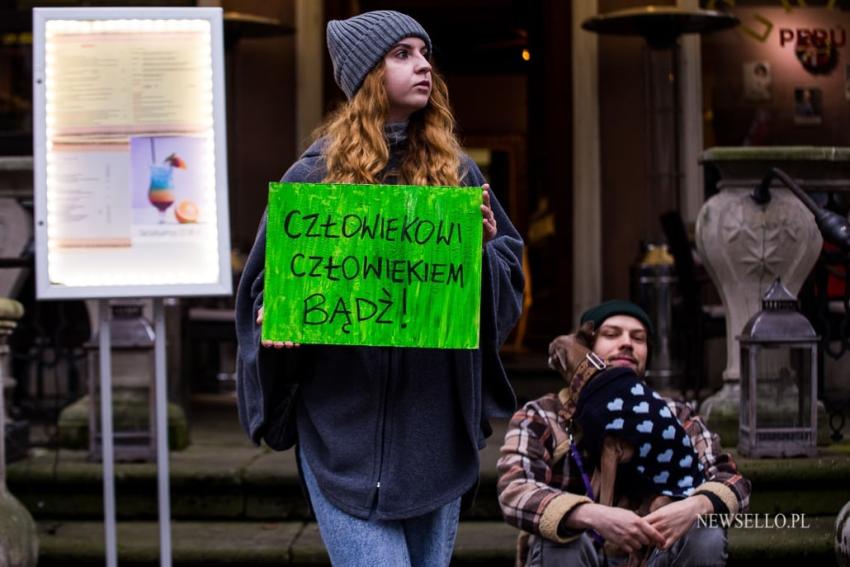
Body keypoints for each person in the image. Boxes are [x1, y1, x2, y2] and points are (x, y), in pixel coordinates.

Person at [235, 10, 525, 567]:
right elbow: (261, 290)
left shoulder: (458, 176)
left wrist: (485, 250)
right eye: (403, 54)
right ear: (368, 74)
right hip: (341, 433)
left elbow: (507, 283)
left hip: (434, 433)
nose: (424, 65)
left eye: (424, 52)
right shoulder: (312, 180)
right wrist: (275, 314)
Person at [497, 300, 751, 567]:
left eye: (638, 338)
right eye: (611, 334)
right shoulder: (541, 416)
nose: (627, 343)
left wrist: (695, 506)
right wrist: (588, 514)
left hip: (656, 556)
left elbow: (734, 482)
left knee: (705, 534)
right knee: (560, 544)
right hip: (582, 555)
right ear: (586, 348)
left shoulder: (675, 415)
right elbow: (514, 491)